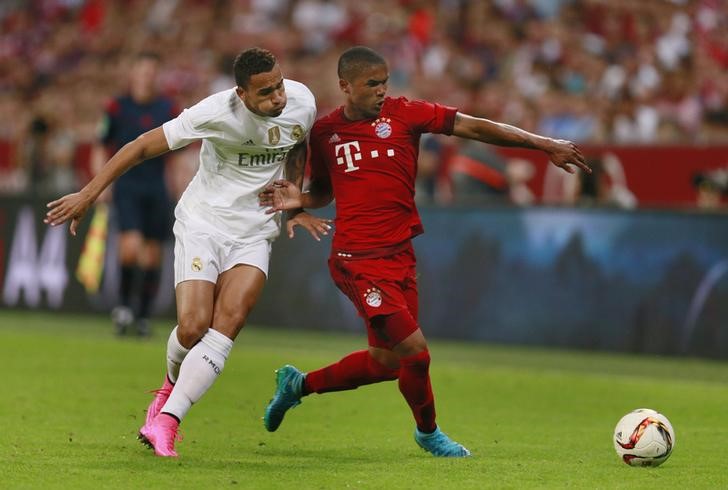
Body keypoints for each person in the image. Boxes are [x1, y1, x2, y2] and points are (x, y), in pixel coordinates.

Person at [259, 46, 590, 458]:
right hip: (356, 261)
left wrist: (541, 143)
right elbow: (325, 191)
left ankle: (298, 385)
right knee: (415, 352)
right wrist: (299, 201)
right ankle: (428, 433)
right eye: (371, 84)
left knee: (386, 362)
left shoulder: (407, 114)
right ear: (345, 86)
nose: (382, 90)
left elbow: (475, 127)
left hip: (399, 256)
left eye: (385, 81)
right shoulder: (325, 133)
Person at [45, 47, 327, 457]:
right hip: (204, 223)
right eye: (266, 93)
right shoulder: (216, 111)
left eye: (279, 86)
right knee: (193, 326)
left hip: (255, 230)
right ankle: (168, 386)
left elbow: (297, 143)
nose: (278, 98)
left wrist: (295, 201)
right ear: (241, 95)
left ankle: (168, 421)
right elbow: (141, 146)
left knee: (229, 321)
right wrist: (89, 194)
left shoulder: (301, 101)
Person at [92, 52, 178, 336]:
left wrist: (179, 183)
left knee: (152, 254)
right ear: (133, 74)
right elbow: (101, 145)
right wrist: (100, 183)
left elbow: (178, 153)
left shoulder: (167, 108)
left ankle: (142, 315)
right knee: (130, 246)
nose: (146, 77)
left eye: (151, 72)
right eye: (142, 72)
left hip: (156, 186)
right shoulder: (117, 107)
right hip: (127, 185)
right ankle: (124, 307)